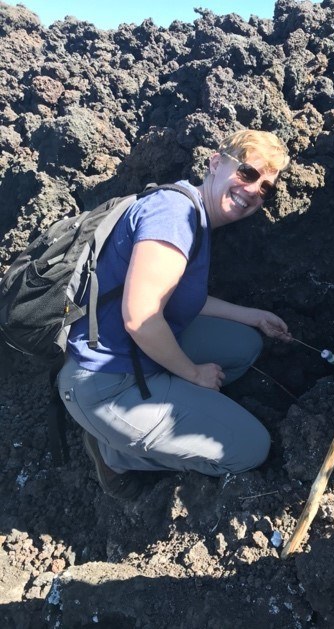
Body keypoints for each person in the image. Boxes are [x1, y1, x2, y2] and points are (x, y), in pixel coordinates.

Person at [57, 129, 291, 499]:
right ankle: (114, 454)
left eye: (266, 188)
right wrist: (194, 374)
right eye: (247, 173)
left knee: (243, 345)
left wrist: (252, 315)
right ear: (215, 163)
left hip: (134, 355)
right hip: (106, 384)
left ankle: (173, 398)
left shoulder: (191, 212)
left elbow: (179, 298)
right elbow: (141, 318)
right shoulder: (173, 215)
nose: (253, 190)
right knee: (251, 449)